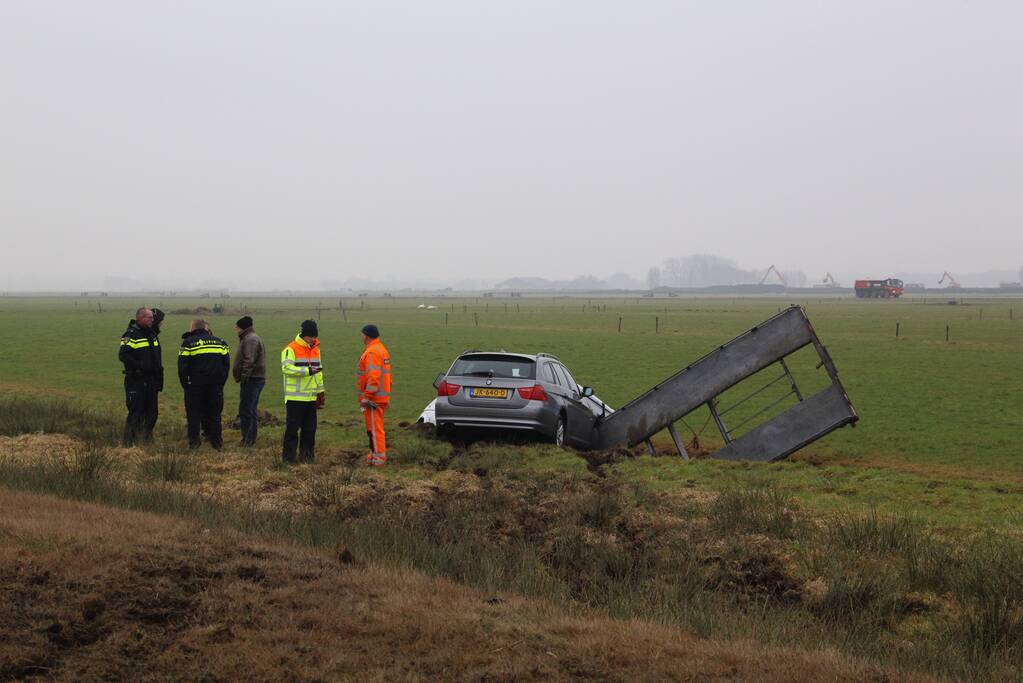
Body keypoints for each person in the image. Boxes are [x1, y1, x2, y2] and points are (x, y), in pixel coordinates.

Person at [178, 319, 230, 450]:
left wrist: (186, 385)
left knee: (194, 415)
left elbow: (182, 367)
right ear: (206, 329)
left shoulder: (188, 343)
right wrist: (220, 383)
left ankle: (194, 444)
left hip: (195, 386)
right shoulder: (221, 342)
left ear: (192, 329)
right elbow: (226, 365)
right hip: (215, 386)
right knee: (214, 415)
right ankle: (217, 444)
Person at [280, 320, 324, 463]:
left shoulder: (316, 349)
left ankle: (307, 458)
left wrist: (321, 392)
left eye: (314, 336)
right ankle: (288, 459)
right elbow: (286, 369)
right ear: (304, 335)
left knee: (310, 430)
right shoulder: (290, 349)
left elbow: (319, 372)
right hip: (295, 398)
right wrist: (307, 371)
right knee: (292, 430)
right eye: (311, 336)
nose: (313, 339)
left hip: (311, 398)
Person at [119, 306, 163, 446]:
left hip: (151, 380)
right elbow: (123, 355)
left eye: (152, 317)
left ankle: (145, 440)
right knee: (136, 413)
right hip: (136, 380)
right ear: (140, 318)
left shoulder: (152, 334)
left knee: (152, 412)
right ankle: (128, 444)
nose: (152, 320)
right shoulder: (130, 334)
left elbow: (157, 358)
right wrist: (140, 366)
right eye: (149, 317)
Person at [357, 324, 392, 467]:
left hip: (374, 399)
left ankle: (379, 458)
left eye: (362, 334)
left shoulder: (372, 352)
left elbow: (374, 377)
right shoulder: (381, 349)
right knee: (372, 428)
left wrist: (367, 396)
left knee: (375, 429)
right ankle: (373, 453)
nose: (361, 336)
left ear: (366, 336)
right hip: (380, 397)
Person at [232, 315, 266, 446]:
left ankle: (247, 440)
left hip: (252, 379)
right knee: (250, 409)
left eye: (237, 327)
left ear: (242, 328)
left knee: (246, 410)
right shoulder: (250, 338)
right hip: (254, 379)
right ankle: (250, 438)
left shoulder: (250, 339)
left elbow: (249, 360)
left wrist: (244, 377)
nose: (236, 330)